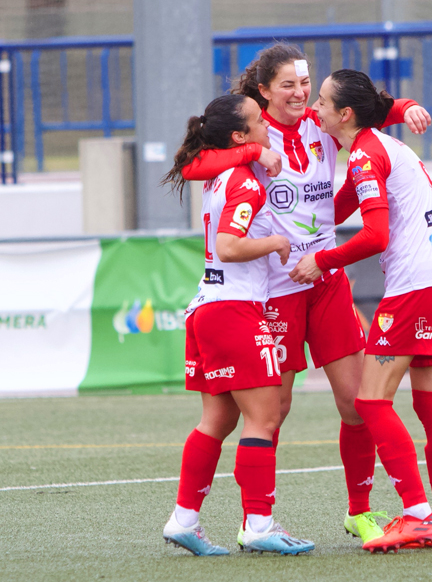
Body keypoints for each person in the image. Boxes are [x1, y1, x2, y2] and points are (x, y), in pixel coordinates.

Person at [181, 43, 432, 546]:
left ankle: (358, 511)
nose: (300, 94)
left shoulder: (323, 121)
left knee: (358, 403)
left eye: (305, 83)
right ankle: (257, 519)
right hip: (272, 291)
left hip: (324, 280)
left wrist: (406, 109)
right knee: (272, 410)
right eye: (289, 85)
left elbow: (372, 108)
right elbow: (193, 167)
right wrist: (255, 151)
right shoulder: (249, 130)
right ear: (264, 90)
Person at [290, 69, 432, 553]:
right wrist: (293, 223)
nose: (315, 109)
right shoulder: (379, 147)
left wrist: (320, 260)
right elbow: (337, 208)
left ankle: (416, 514)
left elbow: (376, 237)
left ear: (344, 114)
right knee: (431, 405)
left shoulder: (368, 155)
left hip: (414, 287)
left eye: (322, 102)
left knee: (370, 403)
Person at [160, 93, 315, 557]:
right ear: (239, 136)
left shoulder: (222, 172)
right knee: (264, 416)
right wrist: (275, 242)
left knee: (219, 418)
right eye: (257, 122)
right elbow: (228, 246)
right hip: (234, 309)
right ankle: (259, 525)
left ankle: (184, 519)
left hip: (209, 306)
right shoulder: (245, 182)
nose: (267, 126)